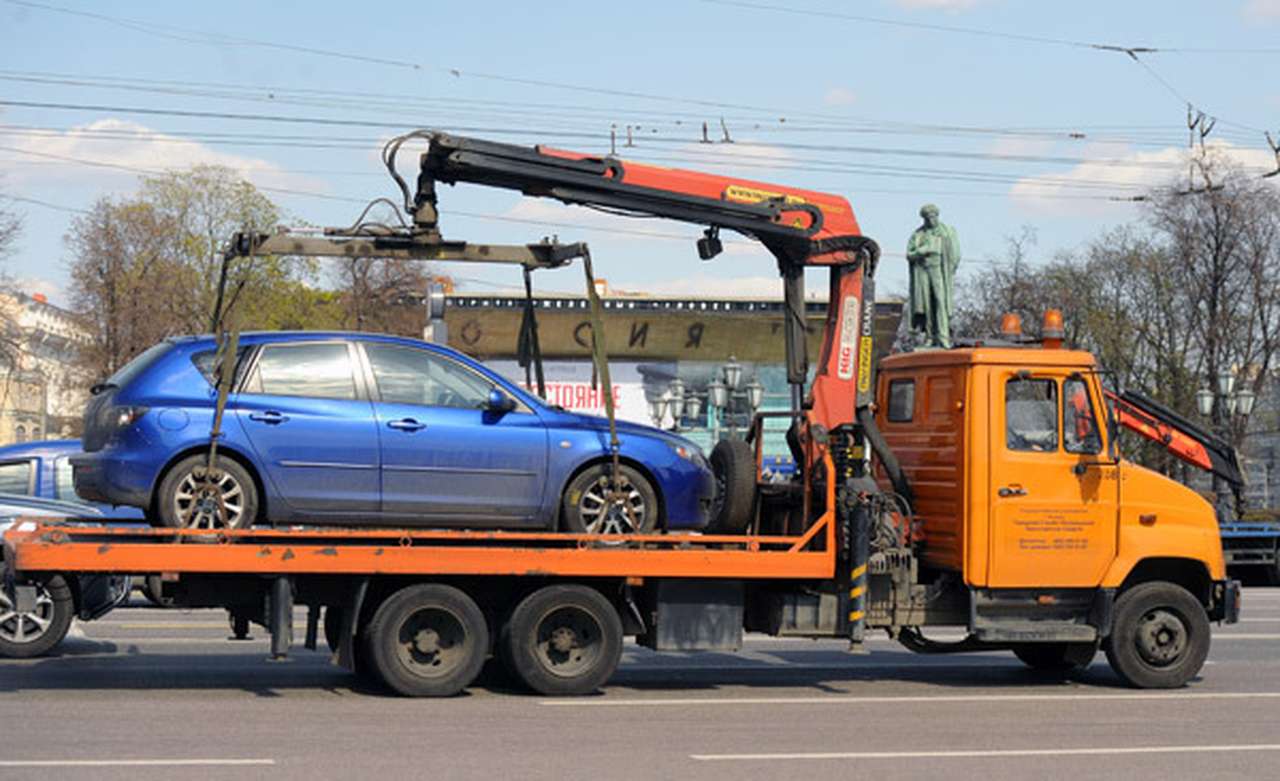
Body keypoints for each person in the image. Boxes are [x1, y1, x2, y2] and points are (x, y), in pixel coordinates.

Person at [906, 203, 961, 349]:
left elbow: (955, 254)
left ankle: (943, 337)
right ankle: (930, 337)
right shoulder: (918, 234)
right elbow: (909, 254)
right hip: (923, 270)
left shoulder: (947, 231)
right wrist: (921, 251)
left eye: (934, 216)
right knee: (927, 304)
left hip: (939, 270)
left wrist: (949, 270)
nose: (932, 219)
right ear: (924, 218)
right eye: (928, 217)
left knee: (940, 302)